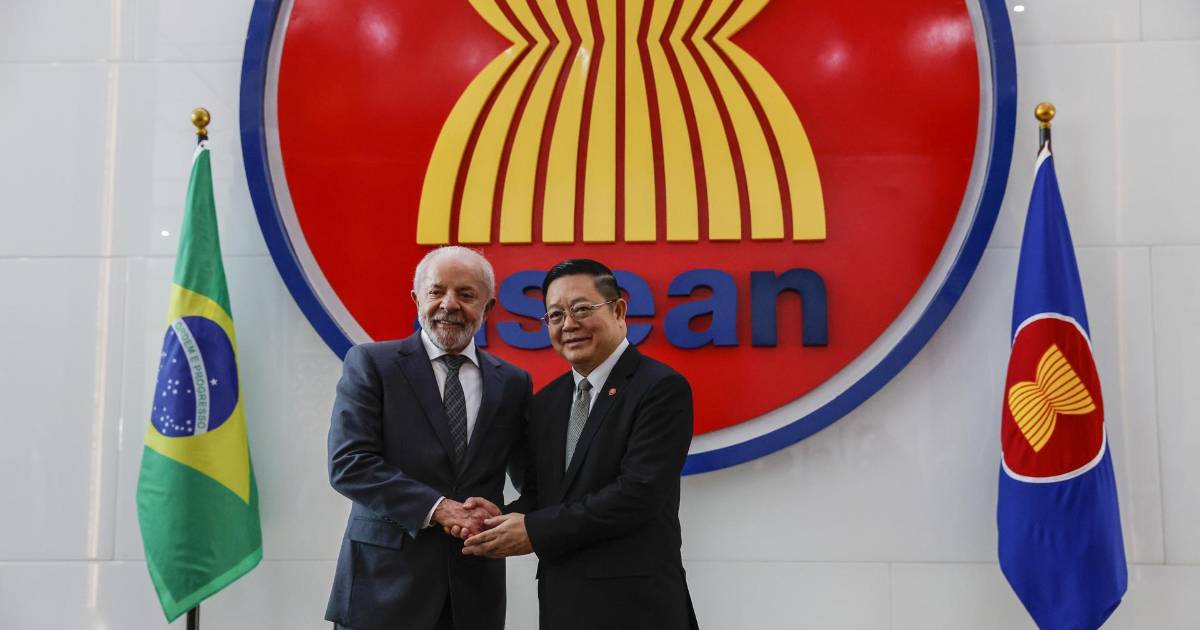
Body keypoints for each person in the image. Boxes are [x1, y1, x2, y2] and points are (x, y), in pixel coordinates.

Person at [462, 258, 699, 630]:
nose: (568, 324)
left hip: (637, 608)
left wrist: (534, 530)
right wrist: (496, 520)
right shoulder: (547, 403)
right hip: (563, 604)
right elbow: (545, 496)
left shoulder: (659, 388)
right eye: (555, 315)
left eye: (582, 309)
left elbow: (638, 495)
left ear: (619, 311)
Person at [324, 246, 532, 630]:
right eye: (436, 291)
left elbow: (531, 478)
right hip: (382, 589)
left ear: (488, 308)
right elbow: (349, 464)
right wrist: (438, 508)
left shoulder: (514, 383)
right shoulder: (372, 364)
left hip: (473, 594)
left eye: (466, 294)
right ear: (417, 299)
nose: (449, 304)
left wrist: (507, 519)